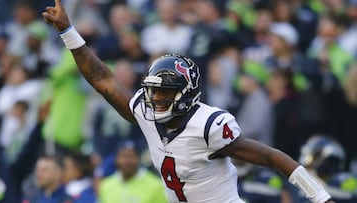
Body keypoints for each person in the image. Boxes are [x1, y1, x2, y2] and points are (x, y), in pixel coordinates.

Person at [42, 1, 335, 202]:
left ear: (187, 93)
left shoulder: (209, 126)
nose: (155, 98)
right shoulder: (146, 113)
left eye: (164, 92)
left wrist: (318, 195)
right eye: (153, 90)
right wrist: (68, 32)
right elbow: (103, 79)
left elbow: (273, 157)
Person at [98, 140, 167, 203]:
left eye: (132, 156)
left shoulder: (156, 185)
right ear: (117, 159)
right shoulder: (106, 185)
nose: (128, 161)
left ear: (138, 159)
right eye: (124, 156)